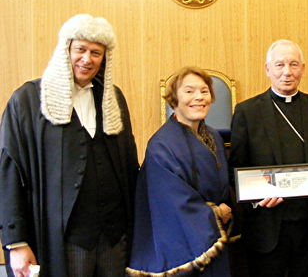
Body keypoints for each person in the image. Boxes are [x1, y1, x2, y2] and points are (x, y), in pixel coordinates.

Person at [0, 14, 139, 277]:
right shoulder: (28, 101)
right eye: (81, 49)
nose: (87, 59)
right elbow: (9, 173)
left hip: (114, 239)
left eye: (96, 52)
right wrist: (15, 242)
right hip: (62, 242)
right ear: (66, 50)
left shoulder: (113, 99)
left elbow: (130, 168)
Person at [229, 39, 308, 277]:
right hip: (267, 226)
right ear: (268, 69)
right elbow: (236, 168)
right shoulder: (247, 112)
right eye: (279, 65)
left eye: (293, 64)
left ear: (303, 68)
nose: (287, 72)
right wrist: (257, 197)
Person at [127, 67, 233, 277]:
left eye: (204, 91)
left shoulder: (214, 136)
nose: (199, 97)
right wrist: (216, 213)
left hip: (215, 240)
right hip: (182, 247)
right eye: (189, 91)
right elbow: (174, 204)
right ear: (173, 99)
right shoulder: (161, 145)